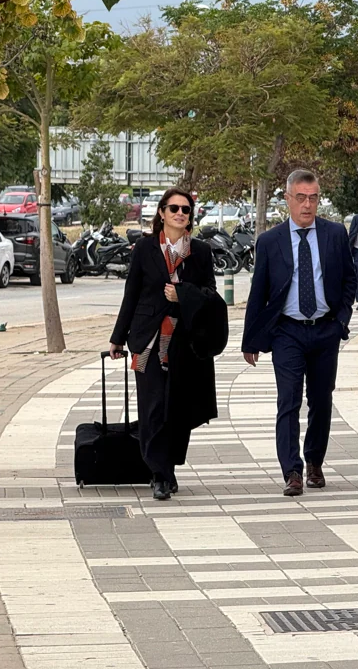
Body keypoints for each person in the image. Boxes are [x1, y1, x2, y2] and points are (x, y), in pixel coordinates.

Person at [241, 169, 355, 497]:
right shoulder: (270, 241)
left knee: (321, 399)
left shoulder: (334, 234)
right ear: (288, 199)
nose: (307, 205)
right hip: (286, 332)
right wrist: (251, 340)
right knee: (288, 400)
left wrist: (341, 321)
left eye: (313, 198)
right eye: (301, 198)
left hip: (324, 330)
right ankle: (292, 471)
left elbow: (349, 279)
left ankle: (314, 461)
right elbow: (259, 291)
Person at [109, 188, 222, 501]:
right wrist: (118, 337)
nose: (180, 213)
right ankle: (159, 474)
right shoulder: (145, 249)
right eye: (173, 208)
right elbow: (131, 293)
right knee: (152, 406)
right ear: (161, 213)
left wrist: (183, 293)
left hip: (184, 342)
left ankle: (167, 468)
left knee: (177, 408)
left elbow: (210, 293)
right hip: (145, 340)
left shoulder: (200, 251)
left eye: (185, 209)